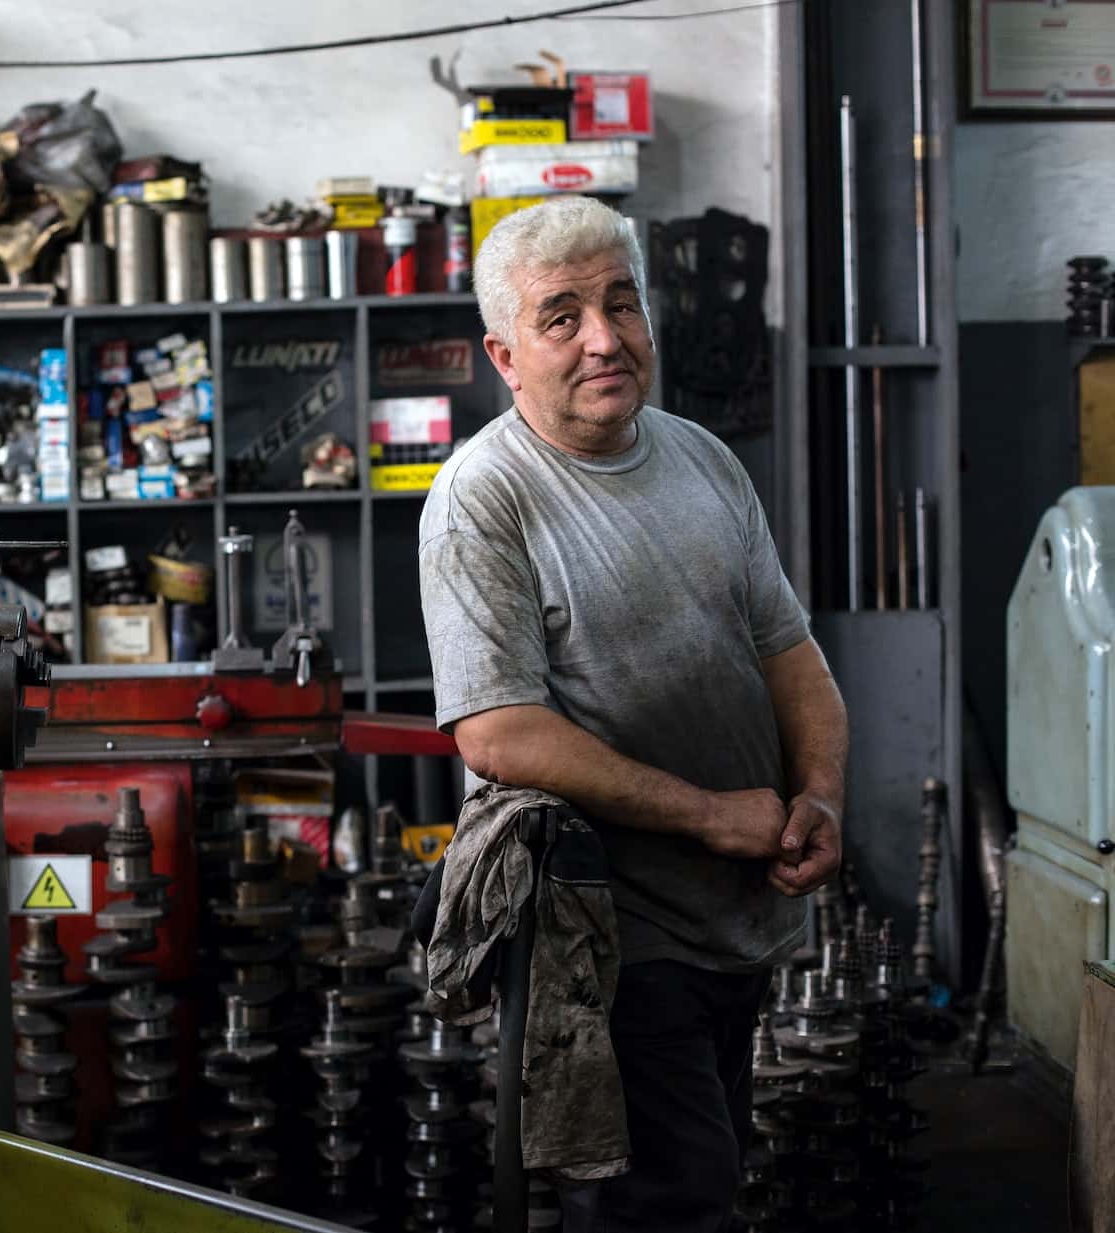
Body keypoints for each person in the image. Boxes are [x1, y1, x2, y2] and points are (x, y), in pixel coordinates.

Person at [418, 195, 848, 1232]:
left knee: (708, 1172)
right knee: (673, 1201)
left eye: (623, 304)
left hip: (739, 914)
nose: (605, 338)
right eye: (562, 316)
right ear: (505, 355)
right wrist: (708, 814)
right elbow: (498, 731)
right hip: (611, 933)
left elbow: (789, 651)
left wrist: (820, 795)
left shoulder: (703, 459)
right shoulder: (485, 498)